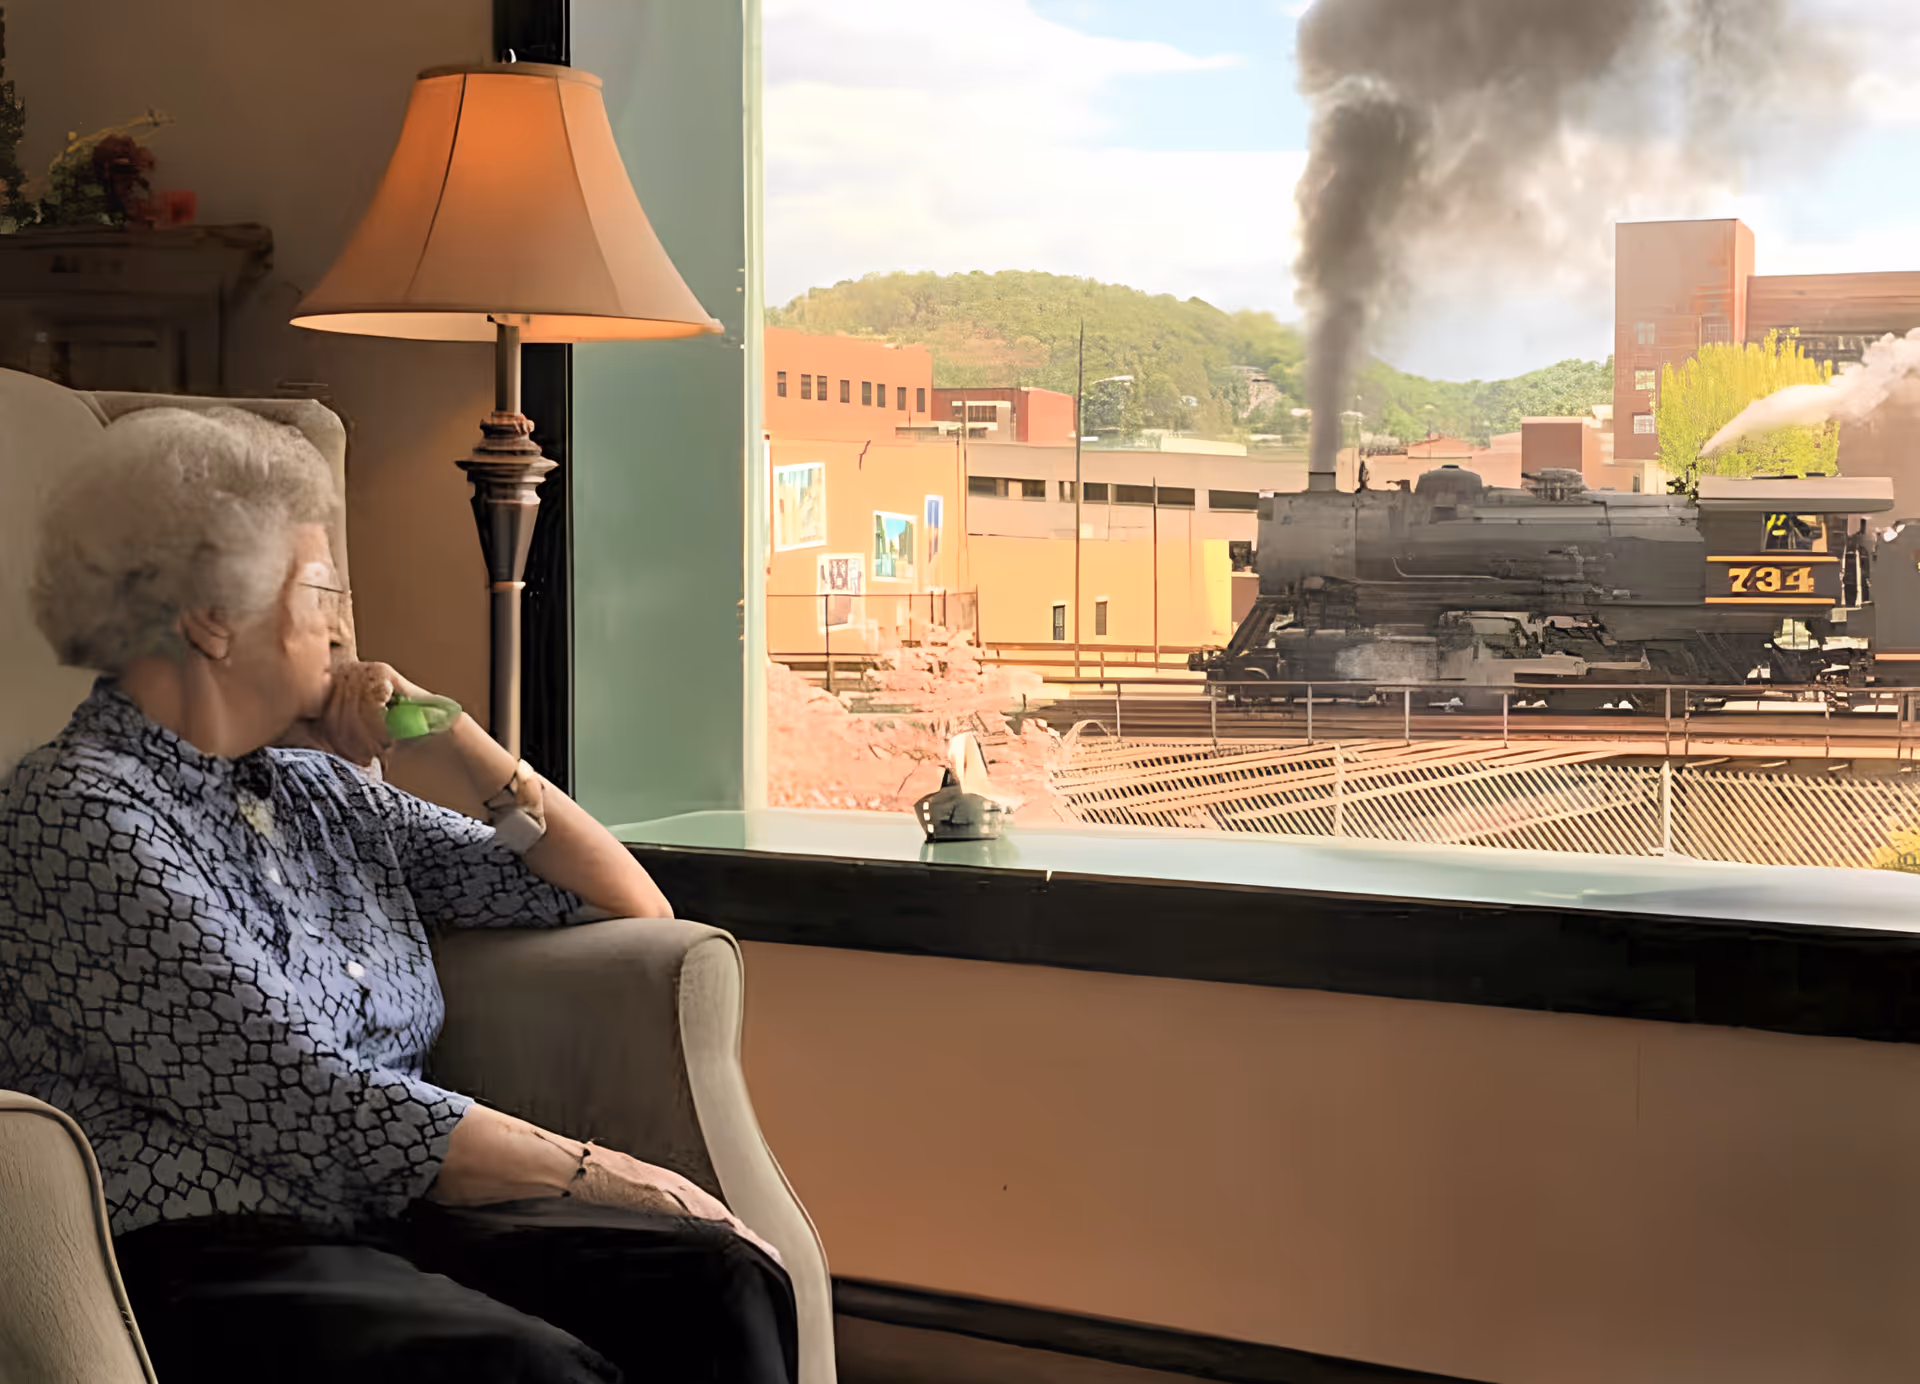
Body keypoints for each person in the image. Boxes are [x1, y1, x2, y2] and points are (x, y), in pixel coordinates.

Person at [0, 407, 797, 1384]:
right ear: (211, 617)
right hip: (204, 1245)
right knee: (527, 1368)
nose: (343, 622)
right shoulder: (78, 810)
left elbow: (622, 900)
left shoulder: (322, 792)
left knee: (721, 1279)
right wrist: (604, 1172)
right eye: (322, 588)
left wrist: (456, 737)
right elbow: (305, 1093)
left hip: (386, 1218)